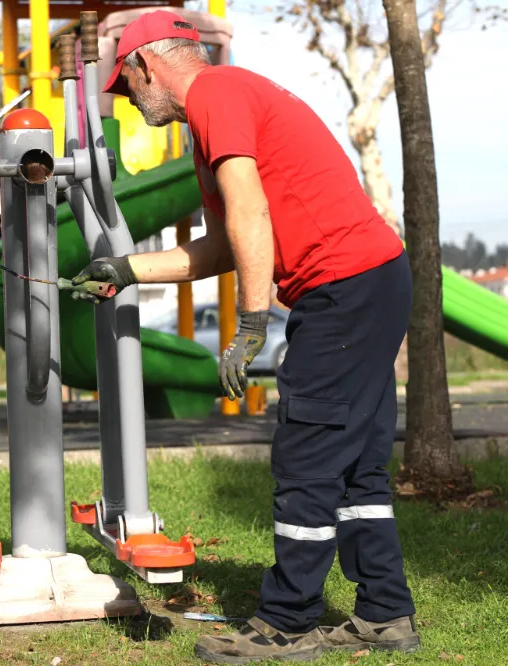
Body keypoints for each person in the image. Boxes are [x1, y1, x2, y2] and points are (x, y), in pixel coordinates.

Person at [71, 10, 421, 665]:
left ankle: (286, 624)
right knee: (354, 463)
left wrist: (253, 324)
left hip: (343, 287)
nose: (128, 100)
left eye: (126, 85)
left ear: (147, 64)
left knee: (307, 456)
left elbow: (251, 212)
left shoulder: (218, 95)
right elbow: (228, 243)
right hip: (373, 279)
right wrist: (126, 270)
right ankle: (384, 614)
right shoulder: (218, 115)